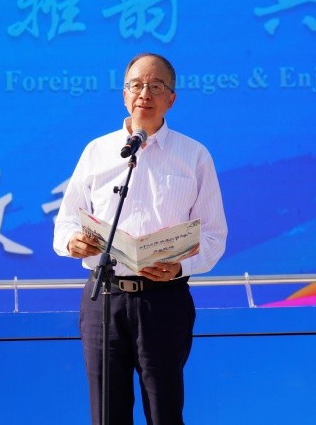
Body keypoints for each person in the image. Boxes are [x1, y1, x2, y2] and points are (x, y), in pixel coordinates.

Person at [53, 52, 228, 424]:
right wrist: (73, 242)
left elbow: (214, 236)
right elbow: (65, 223)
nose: (144, 94)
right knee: (107, 415)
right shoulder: (97, 151)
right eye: (135, 85)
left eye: (155, 86)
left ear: (171, 99)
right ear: (124, 94)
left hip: (163, 300)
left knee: (164, 412)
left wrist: (180, 267)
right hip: (105, 298)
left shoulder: (194, 156)